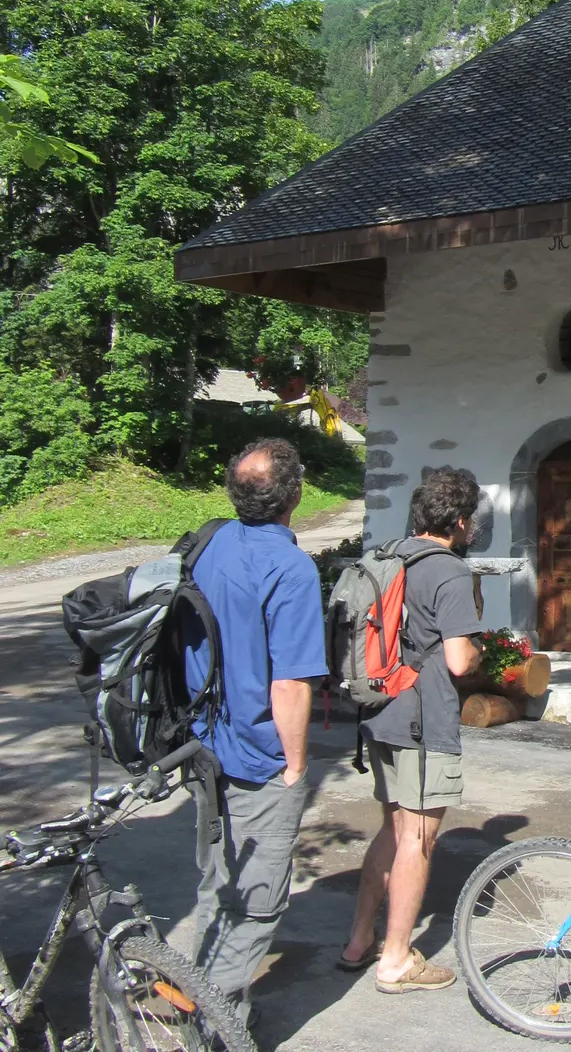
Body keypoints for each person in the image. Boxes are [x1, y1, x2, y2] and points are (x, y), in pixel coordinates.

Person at [184, 438, 329, 1024]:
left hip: (200, 745)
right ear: (294, 495)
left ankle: (191, 996)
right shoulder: (290, 567)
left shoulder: (209, 542)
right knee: (255, 903)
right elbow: (291, 685)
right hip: (255, 757)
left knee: (216, 881)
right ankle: (216, 1029)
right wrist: (295, 769)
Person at [340, 469, 483, 994]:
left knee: (392, 828)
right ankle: (396, 959)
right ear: (461, 521)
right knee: (418, 839)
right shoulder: (449, 571)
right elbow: (460, 661)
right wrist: (482, 648)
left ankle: (359, 940)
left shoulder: (388, 555)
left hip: (380, 707)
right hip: (425, 717)